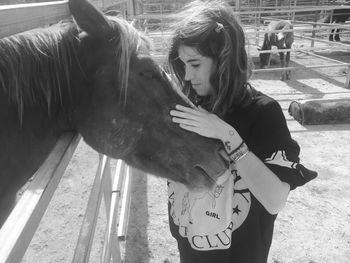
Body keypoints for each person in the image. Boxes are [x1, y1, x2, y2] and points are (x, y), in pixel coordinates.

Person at [166, 1, 317, 262]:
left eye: (195, 64)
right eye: (183, 66)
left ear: (224, 58)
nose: (187, 76)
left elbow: (275, 200)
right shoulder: (192, 106)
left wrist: (228, 136)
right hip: (191, 249)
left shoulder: (263, 113)